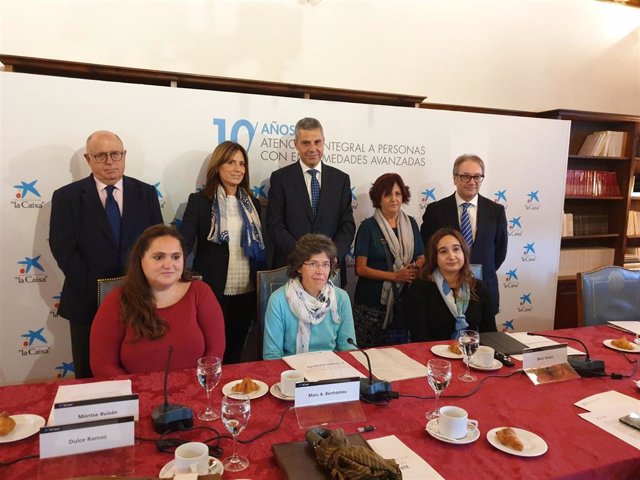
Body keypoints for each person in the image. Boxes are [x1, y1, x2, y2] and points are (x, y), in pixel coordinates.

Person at [49, 130, 163, 378]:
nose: (110, 161)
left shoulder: (146, 193)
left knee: (138, 372)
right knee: (90, 376)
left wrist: (137, 286)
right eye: (101, 155)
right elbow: (63, 249)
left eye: (115, 154)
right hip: (87, 302)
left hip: (139, 300)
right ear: (89, 160)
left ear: (124, 156)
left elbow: (156, 245)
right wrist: (101, 289)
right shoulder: (66, 198)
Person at [90, 225, 225, 376]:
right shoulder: (116, 300)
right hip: (136, 396)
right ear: (141, 259)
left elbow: (215, 351)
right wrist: (139, 394)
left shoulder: (201, 292)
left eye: (176, 257)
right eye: (158, 257)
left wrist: (194, 387)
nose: (168, 265)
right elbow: (102, 365)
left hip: (193, 392)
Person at [180, 141, 265, 364]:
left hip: (246, 290)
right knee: (211, 352)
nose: (238, 169)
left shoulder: (252, 203)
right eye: (231, 162)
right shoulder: (199, 202)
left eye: (242, 164)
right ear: (218, 166)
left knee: (236, 351)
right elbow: (183, 244)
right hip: (212, 289)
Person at [266, 117, 355, 285]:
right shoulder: (280, 179)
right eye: (306, 143)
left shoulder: (341, 180)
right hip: (291, 268)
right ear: (296, 144)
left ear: (324, 142)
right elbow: (274, 225)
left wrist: (329, 256)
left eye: (317, 142)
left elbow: (347, 225)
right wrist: (303, 255)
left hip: (330, 270)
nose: (313, 148)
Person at [420, 154, 507, 315]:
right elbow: (428, 249)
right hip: (445, 291)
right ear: (455, 178)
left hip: (484, 289)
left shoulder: (496, 211)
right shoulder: (436, 211)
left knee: (486, 338)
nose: (472, 182)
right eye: (465, 176)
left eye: (477, 176)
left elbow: (500, 252)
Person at [353, 173, 425, 347]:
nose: (394, 199)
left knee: (400, 358)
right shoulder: (368, 227)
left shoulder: (412, 224)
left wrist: (415, 268)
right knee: (369, 357)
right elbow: (360, 269)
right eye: (387, 194)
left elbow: (422, 257)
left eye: (398, 194)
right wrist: (395, 276)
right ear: (379, 198)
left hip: (404, 303)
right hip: (371, 306)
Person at [263, 234, 356, 360]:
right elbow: (271, 356)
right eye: (313, 264)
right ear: (299, 267)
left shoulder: (341, 298)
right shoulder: (278, 300)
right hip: (292, 373)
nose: (320, 271)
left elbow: (348, 349)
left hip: (331, 370)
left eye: (325, 264)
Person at [408, 227, 496, 341]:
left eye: (456, 249)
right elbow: (418, 336)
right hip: (432, 355)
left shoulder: (479, 287)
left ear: (464, 252)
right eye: (443, 251)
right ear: (435, 257)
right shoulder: (420, 287)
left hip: (470, 354)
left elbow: (490, 333)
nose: (451, 256)